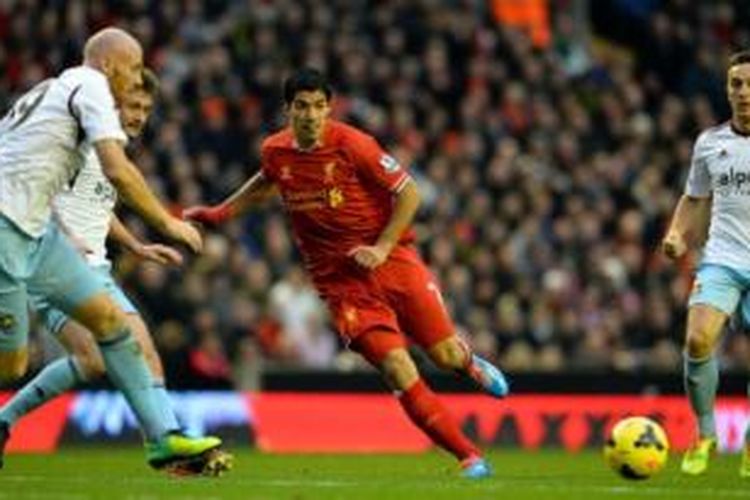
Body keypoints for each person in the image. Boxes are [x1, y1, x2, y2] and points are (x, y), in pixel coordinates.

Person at [185, 68, 509, 479]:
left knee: (442, 355)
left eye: (320, 106)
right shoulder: (275, 151)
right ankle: (469, 456)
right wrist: (219, 213)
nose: (311, 115)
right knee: (397, 366)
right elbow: (267, 182)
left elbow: (410, 193)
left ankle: (468, 364)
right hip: (342, 284)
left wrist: (382, 247)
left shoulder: (353, 143)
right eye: (302, 106)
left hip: (393, 261)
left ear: (329, 108)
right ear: (288, 110)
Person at [0, 27, 227, 475]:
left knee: (114, 327)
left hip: (37, 236)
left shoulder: (57, 91)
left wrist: (135, 245)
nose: (134, 80)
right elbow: (117, 174)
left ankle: (165, 440)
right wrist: (167, 223)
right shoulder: (91, 89)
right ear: (108, 65)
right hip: (10, 227)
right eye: (132, 70)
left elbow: (74, 187)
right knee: (12, 365)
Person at [662, 50, 750, 477]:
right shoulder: (710, 143)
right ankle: (705, 435)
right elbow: (695, 198)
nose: (744, 92)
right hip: (723, 258)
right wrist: (678, 234)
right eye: (736, 83)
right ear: (727, 89)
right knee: (697, 341)